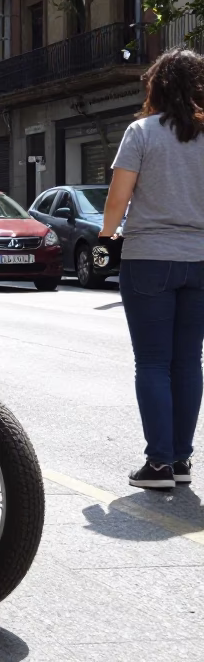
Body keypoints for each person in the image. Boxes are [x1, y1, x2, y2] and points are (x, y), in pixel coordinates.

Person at [100, 48, 204, 490]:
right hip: (201, 259)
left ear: (156, 86)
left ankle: (158, 464)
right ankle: (180, 460)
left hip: (149, 259)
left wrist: (108, 237)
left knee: (154, 362)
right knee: (188, 362)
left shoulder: (140, 132)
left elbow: (118, 199)